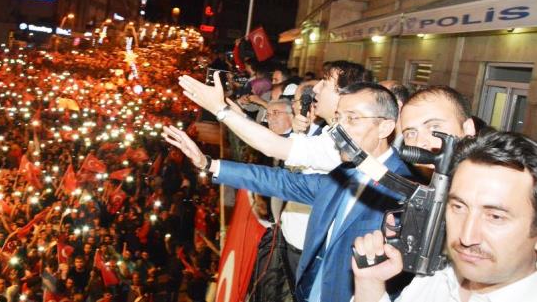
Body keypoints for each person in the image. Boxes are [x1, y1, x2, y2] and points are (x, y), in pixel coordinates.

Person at [164, 82, 414, 302]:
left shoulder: (404, 191)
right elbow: (280, 181)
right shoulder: (345, 173)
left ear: (385, 127)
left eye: (353, 118)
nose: (341, 130)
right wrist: (209, 164)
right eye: (339, 119)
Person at [352, 129, 537, 302]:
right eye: (458, 207)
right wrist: (370, 284)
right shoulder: (437, 279)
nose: (466, 237)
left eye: (495, 217)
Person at [179, 60, 373, 172]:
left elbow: (273, 147)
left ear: (345, 93)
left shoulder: (342, 145)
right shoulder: (329, 135)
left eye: (325, 83)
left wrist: (221, 110)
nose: (316, 88)